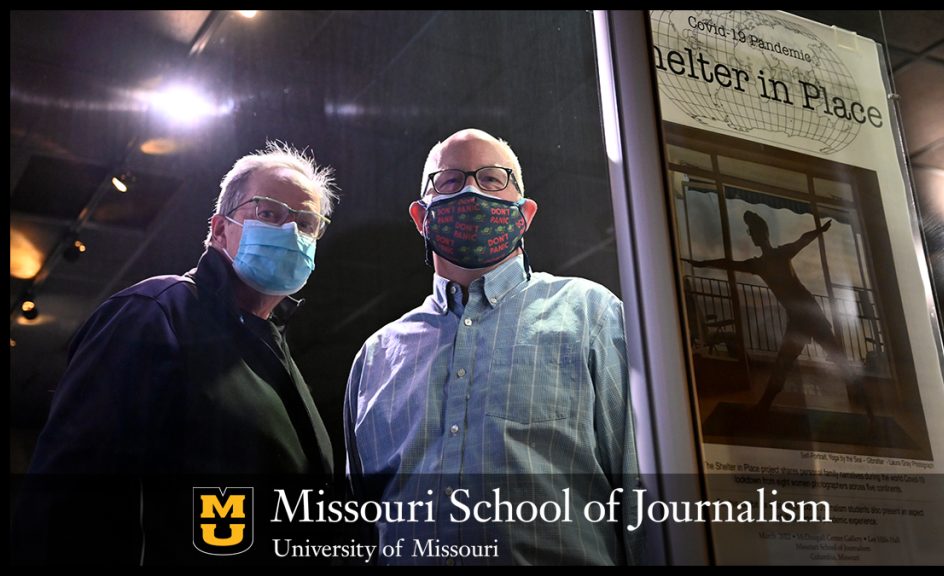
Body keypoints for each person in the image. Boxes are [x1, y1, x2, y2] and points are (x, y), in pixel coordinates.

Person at [14, 142, 338, 564]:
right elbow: (68, 503)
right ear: (219, 229)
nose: (290, 233)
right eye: (269, 213)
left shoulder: (279, 357)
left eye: (306, 223)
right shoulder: (153, 313)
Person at [344, 129, 642, 565]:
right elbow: (361, 526)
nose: (470, 191)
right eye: (448, 181)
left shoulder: (591, 315)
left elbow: (639, 494)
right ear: (420, 217)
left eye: (491, 178)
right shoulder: (377, 356)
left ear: (525, 214)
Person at [688, 211, 871, 417]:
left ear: (763, 233)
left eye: (753, 232)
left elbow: (802, 240)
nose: (752, 236)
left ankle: (866, 407)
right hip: (799, 318)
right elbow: (729, 263)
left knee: (833, 360)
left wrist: (819, 230)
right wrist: (703, 264)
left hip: (810, 315)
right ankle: (764, 406)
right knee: (786, 364)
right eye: (751, 232)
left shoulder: (776, 256)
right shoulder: (762, 262)